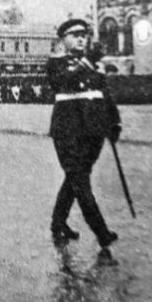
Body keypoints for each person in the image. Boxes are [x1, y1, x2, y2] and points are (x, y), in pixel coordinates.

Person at [47, 18, 121, 250]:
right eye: (75, 35)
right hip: (68, 132)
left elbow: (104, 94)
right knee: (80, 182)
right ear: (63, 40)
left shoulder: (92, 64)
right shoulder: (56, 62)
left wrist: (114, 121)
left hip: (93, 131)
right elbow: (63, 82)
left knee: (75, 179)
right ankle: (102, 232)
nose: (81, 38)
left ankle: (58, 222)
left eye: (84, 35)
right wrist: (88, 61)